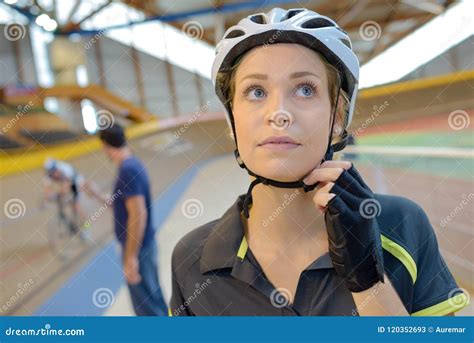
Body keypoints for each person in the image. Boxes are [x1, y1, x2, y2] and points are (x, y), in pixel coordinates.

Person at [169, 8, 469, 316]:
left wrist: (368, 280)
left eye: (304, 89)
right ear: (233, 124)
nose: (279, 113)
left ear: (337, 118)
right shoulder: (190, 258)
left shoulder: (402, 225)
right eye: (256, 92)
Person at [98, 123, 167, 316]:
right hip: (143, 246)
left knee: (147, 308)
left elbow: (138, 215)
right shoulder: (132, 164)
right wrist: (97, 195)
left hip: (139, 249)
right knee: (154, 298)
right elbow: (125, 206)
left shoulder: (127, 169)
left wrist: (130, 257)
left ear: (106, 146)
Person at [43, 158, 100, 239]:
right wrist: (46, 198)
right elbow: (46, 190)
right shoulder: (48, 175)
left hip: (76, 182)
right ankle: (70, 223)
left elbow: (66, 187)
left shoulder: (65, 169)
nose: (53, 174)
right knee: (64, 199)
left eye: (54, 171)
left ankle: (87, 226)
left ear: (57, 168)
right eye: (51, 172)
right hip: (65, 184)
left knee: (76, 206)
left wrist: (58, 194)